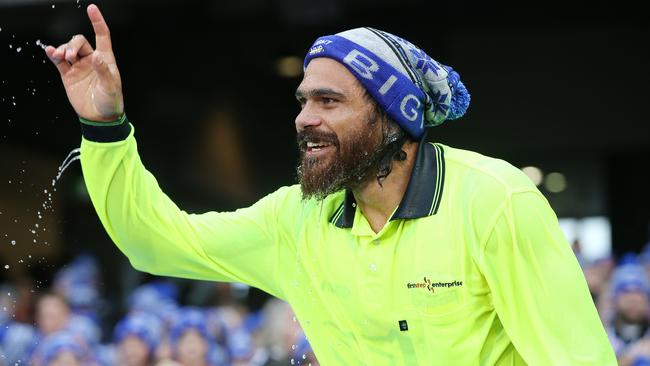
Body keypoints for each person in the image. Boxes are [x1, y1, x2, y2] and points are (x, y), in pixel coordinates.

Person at [44, 4, 616, 364]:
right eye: (303, 101)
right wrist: (103, 127)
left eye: (329, 100)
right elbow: (155, 241)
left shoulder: (497, 203)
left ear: (394, 117)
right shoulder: (295, 220)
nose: (303, 119)